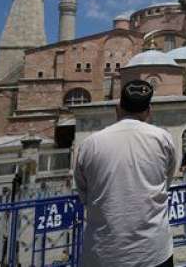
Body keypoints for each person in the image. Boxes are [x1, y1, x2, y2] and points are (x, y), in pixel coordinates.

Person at [75, 80, 176, 267]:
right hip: (154, 252)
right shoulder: (163, 139)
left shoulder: (90, 144)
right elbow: (166, 181)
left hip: (103, 253)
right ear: (149, 111)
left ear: (118, 109)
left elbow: (84, 193)